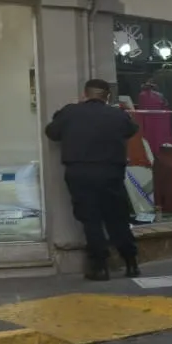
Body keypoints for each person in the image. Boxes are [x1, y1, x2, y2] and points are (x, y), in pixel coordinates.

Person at [45, 79, 141, 281]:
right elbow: (132, 129)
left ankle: (100, 267)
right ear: (107, 96)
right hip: (111, 172)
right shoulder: (117, 115)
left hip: (80, 172)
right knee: (117, 218)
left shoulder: (70, 112)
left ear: (84, 94)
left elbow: (52, 132)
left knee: (91, 220)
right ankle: (131, 262)